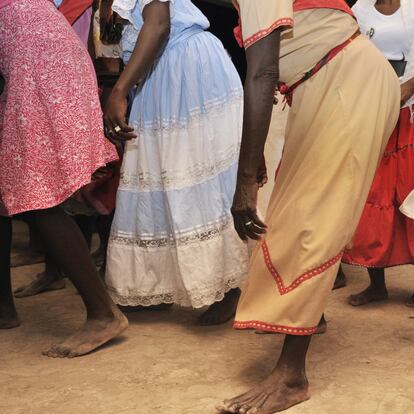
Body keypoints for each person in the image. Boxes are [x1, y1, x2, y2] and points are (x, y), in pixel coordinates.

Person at [217, 0, 400, 412]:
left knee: (311, 215)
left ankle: (292, 377)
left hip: (348, 83)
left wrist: (245, 179)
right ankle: (308, 314)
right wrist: (255, 153)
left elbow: (262, 72)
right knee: (296, 204)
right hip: (322, 84)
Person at [104, 0, 248, 324]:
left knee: (192, 177)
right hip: (160, 71)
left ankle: (225, 287)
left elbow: (158, 24)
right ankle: (154, 283)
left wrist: (119, 91)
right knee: (160, 177)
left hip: (184, 69)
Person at [0, 0, 128, 358]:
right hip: (38, 58)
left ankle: (103, 314)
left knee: (36, 192)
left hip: (38, 65)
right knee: (19, 187)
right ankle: (5, 309)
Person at [342, 0, 414, 308]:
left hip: (407, 114)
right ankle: (376, 285)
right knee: (372, 196)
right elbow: (349, 55)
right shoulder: (360, 10)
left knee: (409, 196)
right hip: (372, 110)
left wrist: (408, 87)